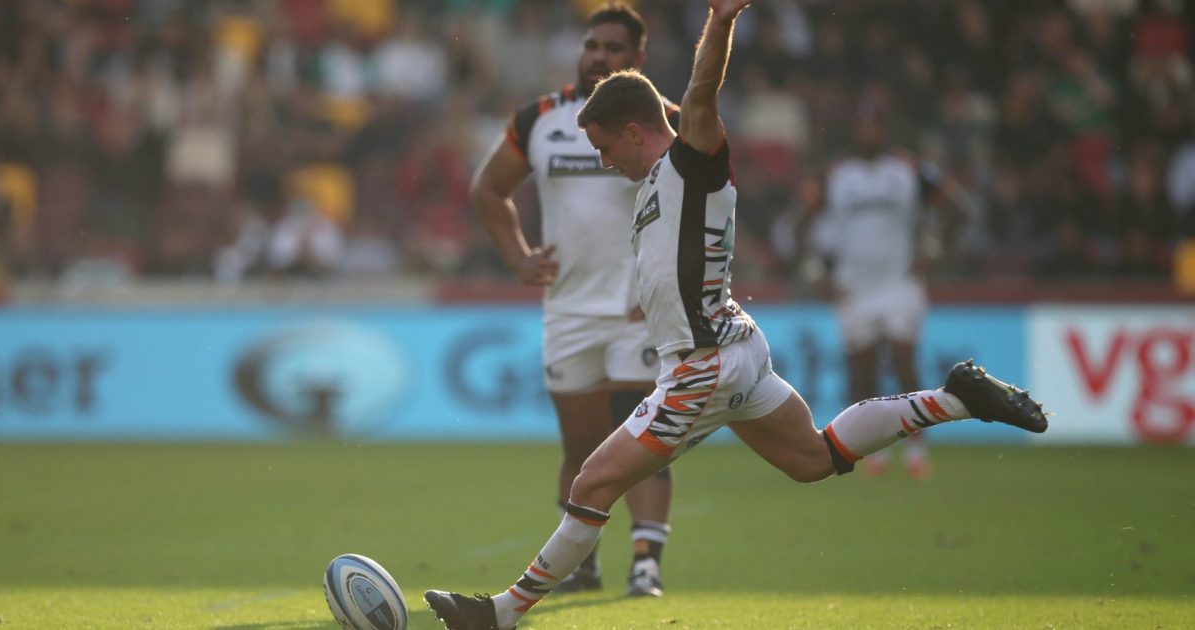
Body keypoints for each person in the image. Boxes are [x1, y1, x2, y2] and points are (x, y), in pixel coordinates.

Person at [426, 2, 1048, 628]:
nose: (604, 159)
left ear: (637, 131)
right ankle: (957, 399)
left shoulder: (690, 161)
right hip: (735, 346)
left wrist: (721, 19)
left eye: (605, 145)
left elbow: (700, 93)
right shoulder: (656, 183)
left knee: (591, 485)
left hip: (702, 367)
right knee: (813, 459)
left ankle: (500, 614)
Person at [468, 3, 678, 597]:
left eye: (614, 49)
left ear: (637, 59)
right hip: (568, 308)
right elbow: (489, 190)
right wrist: (518, 257)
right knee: (581, 446)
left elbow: (704, 205)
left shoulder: (666, 121)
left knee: (640, 438)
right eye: (593, 46)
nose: (599, 57)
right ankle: (581, 564)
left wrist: (669, 282)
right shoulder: (539, 119)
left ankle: (646, 563)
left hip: (641, 308)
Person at [813, 106, 968, 479]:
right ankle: (870, 451)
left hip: (899, 282)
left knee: (903, 361)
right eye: (863, 124)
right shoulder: (837, 174)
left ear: (885, 130)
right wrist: (817, 269)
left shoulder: (908, 170)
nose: (869, 132)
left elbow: (958, 209)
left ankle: (916, 448)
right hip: (854, 285)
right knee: (862, 371)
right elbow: (803, 217)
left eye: (875, 125)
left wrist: (933, 252)